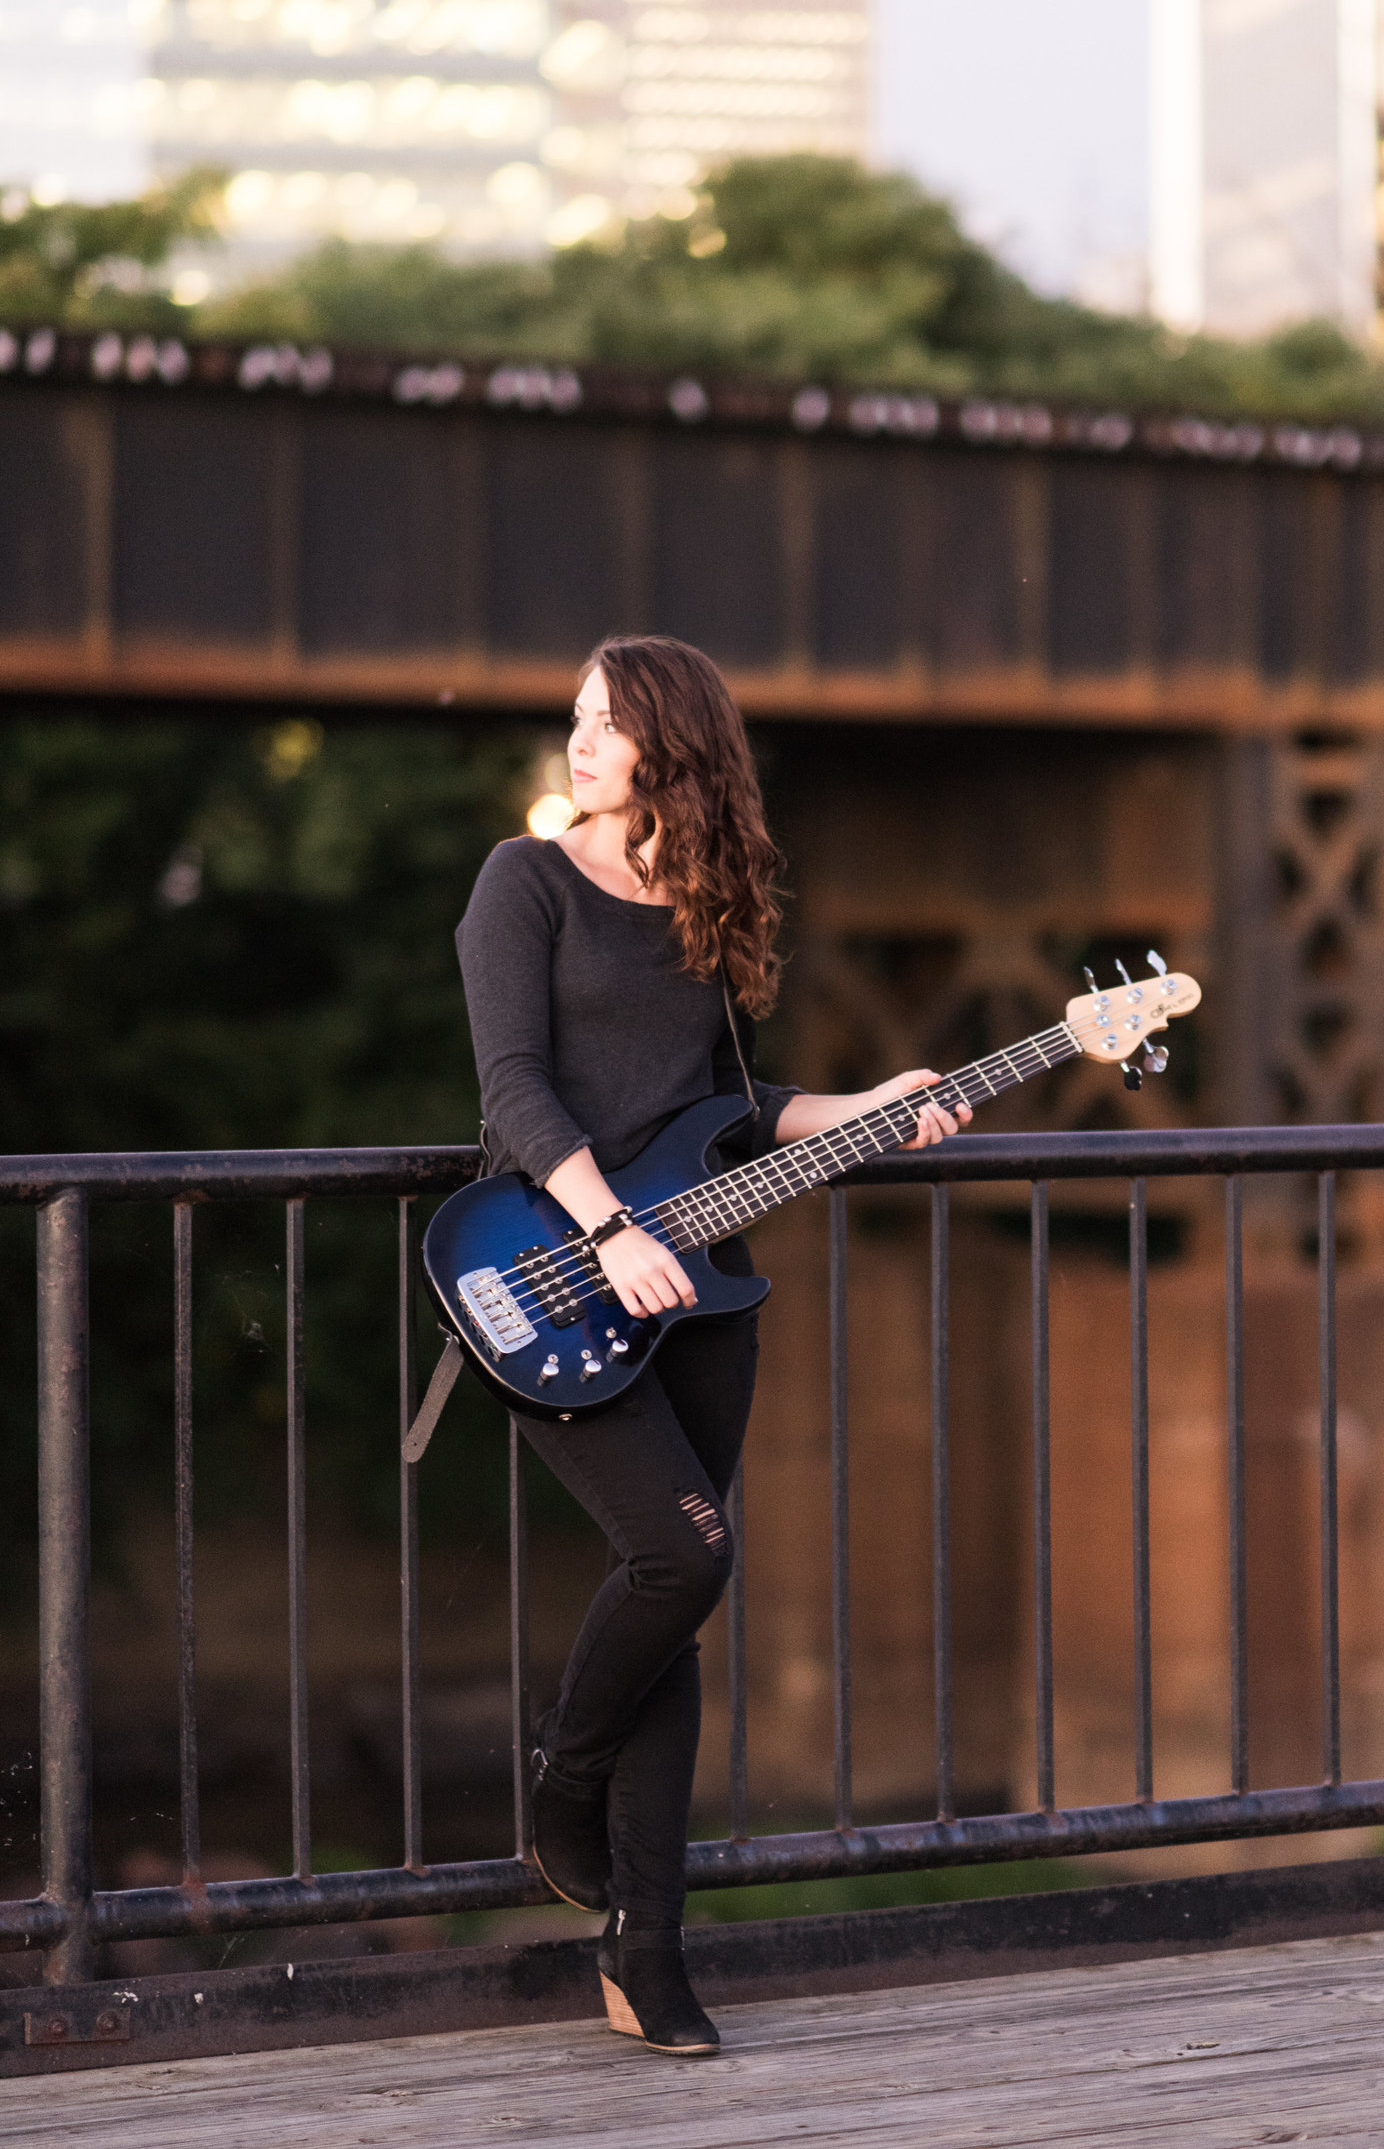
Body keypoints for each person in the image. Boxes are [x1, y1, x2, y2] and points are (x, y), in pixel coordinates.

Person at [455, 634, 969, 2056]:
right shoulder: (527, 880)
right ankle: (560, 1777)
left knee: (669, 1601)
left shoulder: (704, 899)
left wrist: (873, 1102)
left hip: (702, 1293)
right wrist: (608, 1226)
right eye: (574, 718)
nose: (580, 741)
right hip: (556, 1271)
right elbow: (512, 1084)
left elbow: (733, 1111)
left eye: (606, 722)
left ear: (670, 743)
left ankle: (649, 1948)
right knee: (685, 1552)